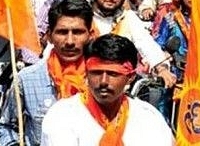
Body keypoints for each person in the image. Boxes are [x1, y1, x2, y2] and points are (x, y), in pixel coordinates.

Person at [40, 34, 174, 145]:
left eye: (113, 74)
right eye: (96, 73)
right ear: (86, 73)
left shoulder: (148, 118)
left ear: (131, 77)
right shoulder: (62, 116)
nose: (103, 81)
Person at [0, 0, 93, 146]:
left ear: (90, 35)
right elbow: (4, 127)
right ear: (49, 36)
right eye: (62, 32)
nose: (70, 41)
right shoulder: (27, 80)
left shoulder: (100, 80)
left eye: (78, 32)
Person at [89, 0, 176, 87]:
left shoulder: (127, 18)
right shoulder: (84, 17)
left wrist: (161, 68)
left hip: (119, 88)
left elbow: (147, 45)